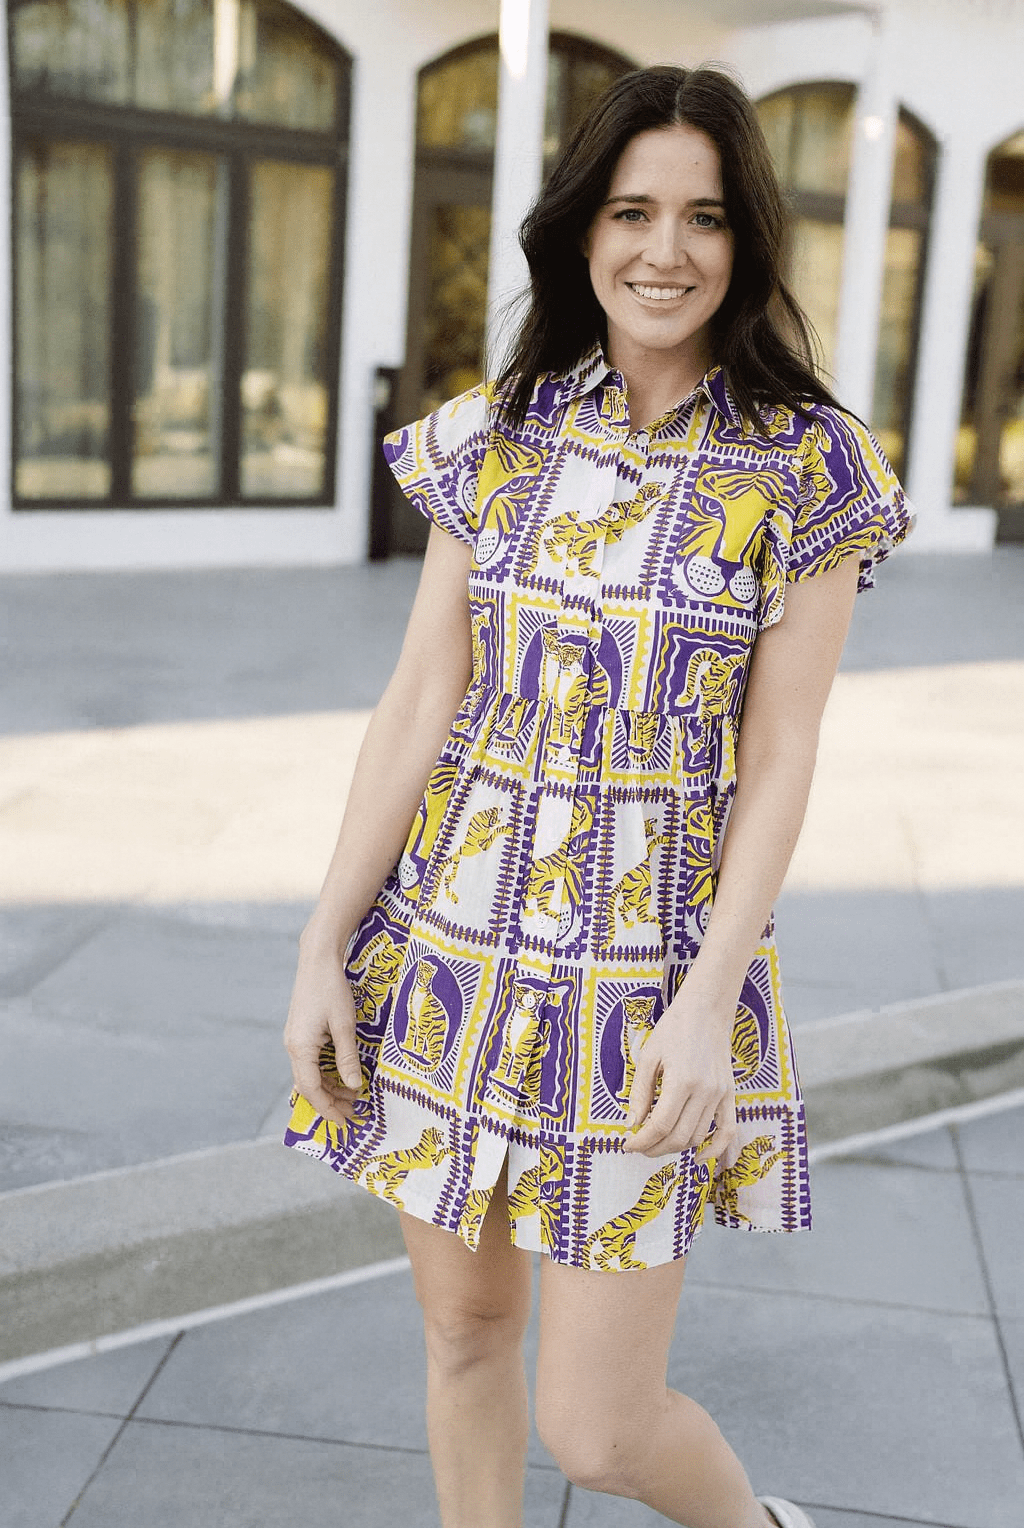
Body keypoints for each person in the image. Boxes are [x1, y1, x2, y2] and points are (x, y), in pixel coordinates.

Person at [283, 63, 912, 1528]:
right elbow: (420, 699)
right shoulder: (488, 434)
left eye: (703, 216)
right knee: (463, 1335)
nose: (664, 249)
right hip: (447, 961)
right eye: (632, 209)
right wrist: (325, 937)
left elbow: (786, 752)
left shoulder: (807, 465)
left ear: (747, 242)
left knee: (601, 1428)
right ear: (579, 230)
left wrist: (710, 996)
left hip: (642, 988)